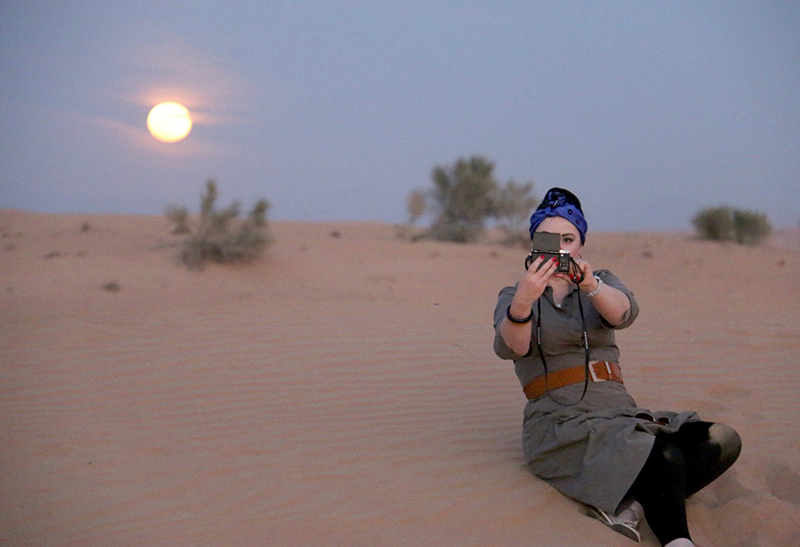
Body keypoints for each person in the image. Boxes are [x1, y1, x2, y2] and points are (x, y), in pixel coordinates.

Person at [493, 188, 742, 547]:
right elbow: (511, 347)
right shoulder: (513, 294)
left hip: (619, 415)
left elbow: (623, 314)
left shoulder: (602, 282)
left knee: (719, 440)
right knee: (665, 457)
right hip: (560, 425)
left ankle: (632, 507)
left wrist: (590, 284)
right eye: (549, 239)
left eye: (569, 239)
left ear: (581, 245)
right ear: (534, 244)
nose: (560, 248)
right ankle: (678, 542)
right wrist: (524, 302)